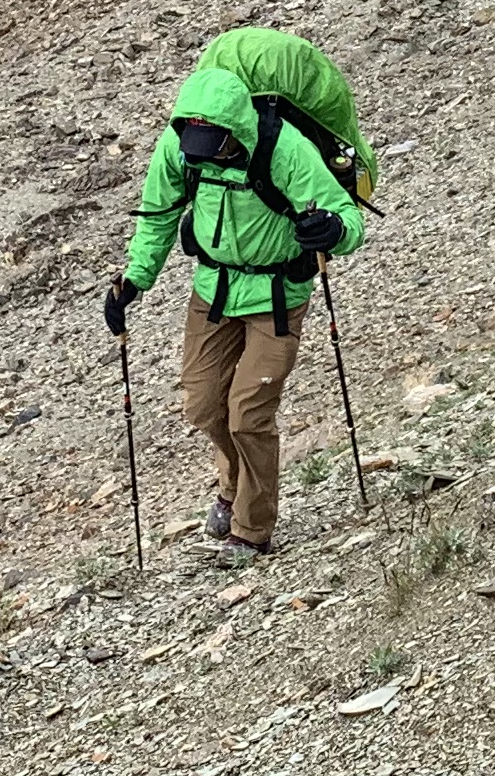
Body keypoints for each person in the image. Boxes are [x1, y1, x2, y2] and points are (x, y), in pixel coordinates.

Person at [103, 30, 371, 556]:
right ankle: (231, 487)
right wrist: (134, 280)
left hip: (277, 295)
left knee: (248, 412)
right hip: (213, 290)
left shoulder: (283, 149)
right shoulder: (181, 146)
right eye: (197, 148)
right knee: (204, 406)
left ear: (236, 129)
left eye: (219, 148)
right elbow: (157, 218)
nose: (208, 158)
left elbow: (347, 217)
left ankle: (252, 528)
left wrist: (332, 233)